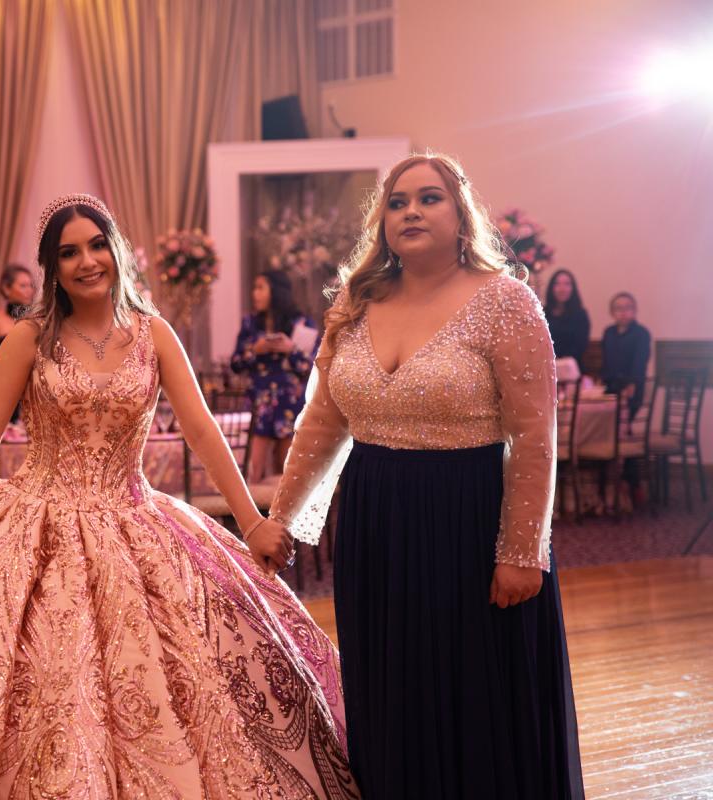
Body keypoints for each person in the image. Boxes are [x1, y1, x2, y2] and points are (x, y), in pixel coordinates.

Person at [0, 194, 359, 798]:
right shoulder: (30, 337)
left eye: (97, 245)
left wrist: (251, 522)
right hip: (32, 518)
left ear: (116, 250)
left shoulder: (154, 334)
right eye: (69, 252)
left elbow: (203, 431)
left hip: (135, 519)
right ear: (52, 267)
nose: (87, 261)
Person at [266, 154, 584, 798]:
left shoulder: (505, 301)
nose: (411, 211)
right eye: (397, 201)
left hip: (469, 521)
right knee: (391, 688)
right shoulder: (355, 304)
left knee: (474, 695)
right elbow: (322, 422)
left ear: (461, 215)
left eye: (429, 198)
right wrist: (282, 519)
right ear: (382, 222)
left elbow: (534, 436)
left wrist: (522, 551)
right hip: (375, 522)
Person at [230, 269, 315, 480]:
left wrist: (291, 349)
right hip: (259, 403)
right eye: (254, 288)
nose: (255, 293)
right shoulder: (250, 323)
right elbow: (236, 364)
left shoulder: (301, 323)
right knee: (252, 470)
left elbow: (311, 367)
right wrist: (255, 350)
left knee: (286, 472)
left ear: (276, 291)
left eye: (260, 288)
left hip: (290, 404)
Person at [600, 291, 650, 419]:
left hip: (632, 385)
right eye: (618, 308)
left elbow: (640, 362)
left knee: (623, 418)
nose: (623, 312)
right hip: (610, 385)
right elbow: (606, 360)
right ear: (612, 312)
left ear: (635, 310)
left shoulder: (641, 333)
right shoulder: (608, 332)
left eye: (628, 308)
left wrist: (632, 383)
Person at [544, 268, 590, 364]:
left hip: (571, 365)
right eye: (557, 284)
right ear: (551, 288)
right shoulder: (543, 313)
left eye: (567, 284)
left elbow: (580, 345)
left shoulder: (580, 315)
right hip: (546, 364)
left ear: (573, 288)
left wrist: (561, 361)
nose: (562, 289)